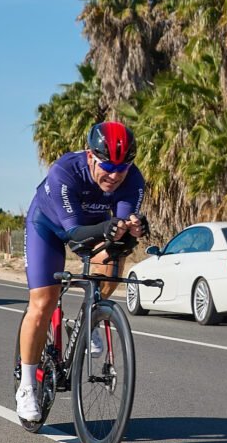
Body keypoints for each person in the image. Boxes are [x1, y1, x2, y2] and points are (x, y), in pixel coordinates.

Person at [16, 121, 149, 422]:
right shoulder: (64, 172)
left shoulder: (133, 180)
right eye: (107, 166)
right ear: (90, 156)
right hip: (48, 226)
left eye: (123, 167)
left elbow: (123, 229)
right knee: (42, 302)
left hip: (92, 226)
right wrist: (108, 227)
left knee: (113, 258)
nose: (115, 175)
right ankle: (26, 387)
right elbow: (75, 233)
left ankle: (87, 318)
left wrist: (135, 229)